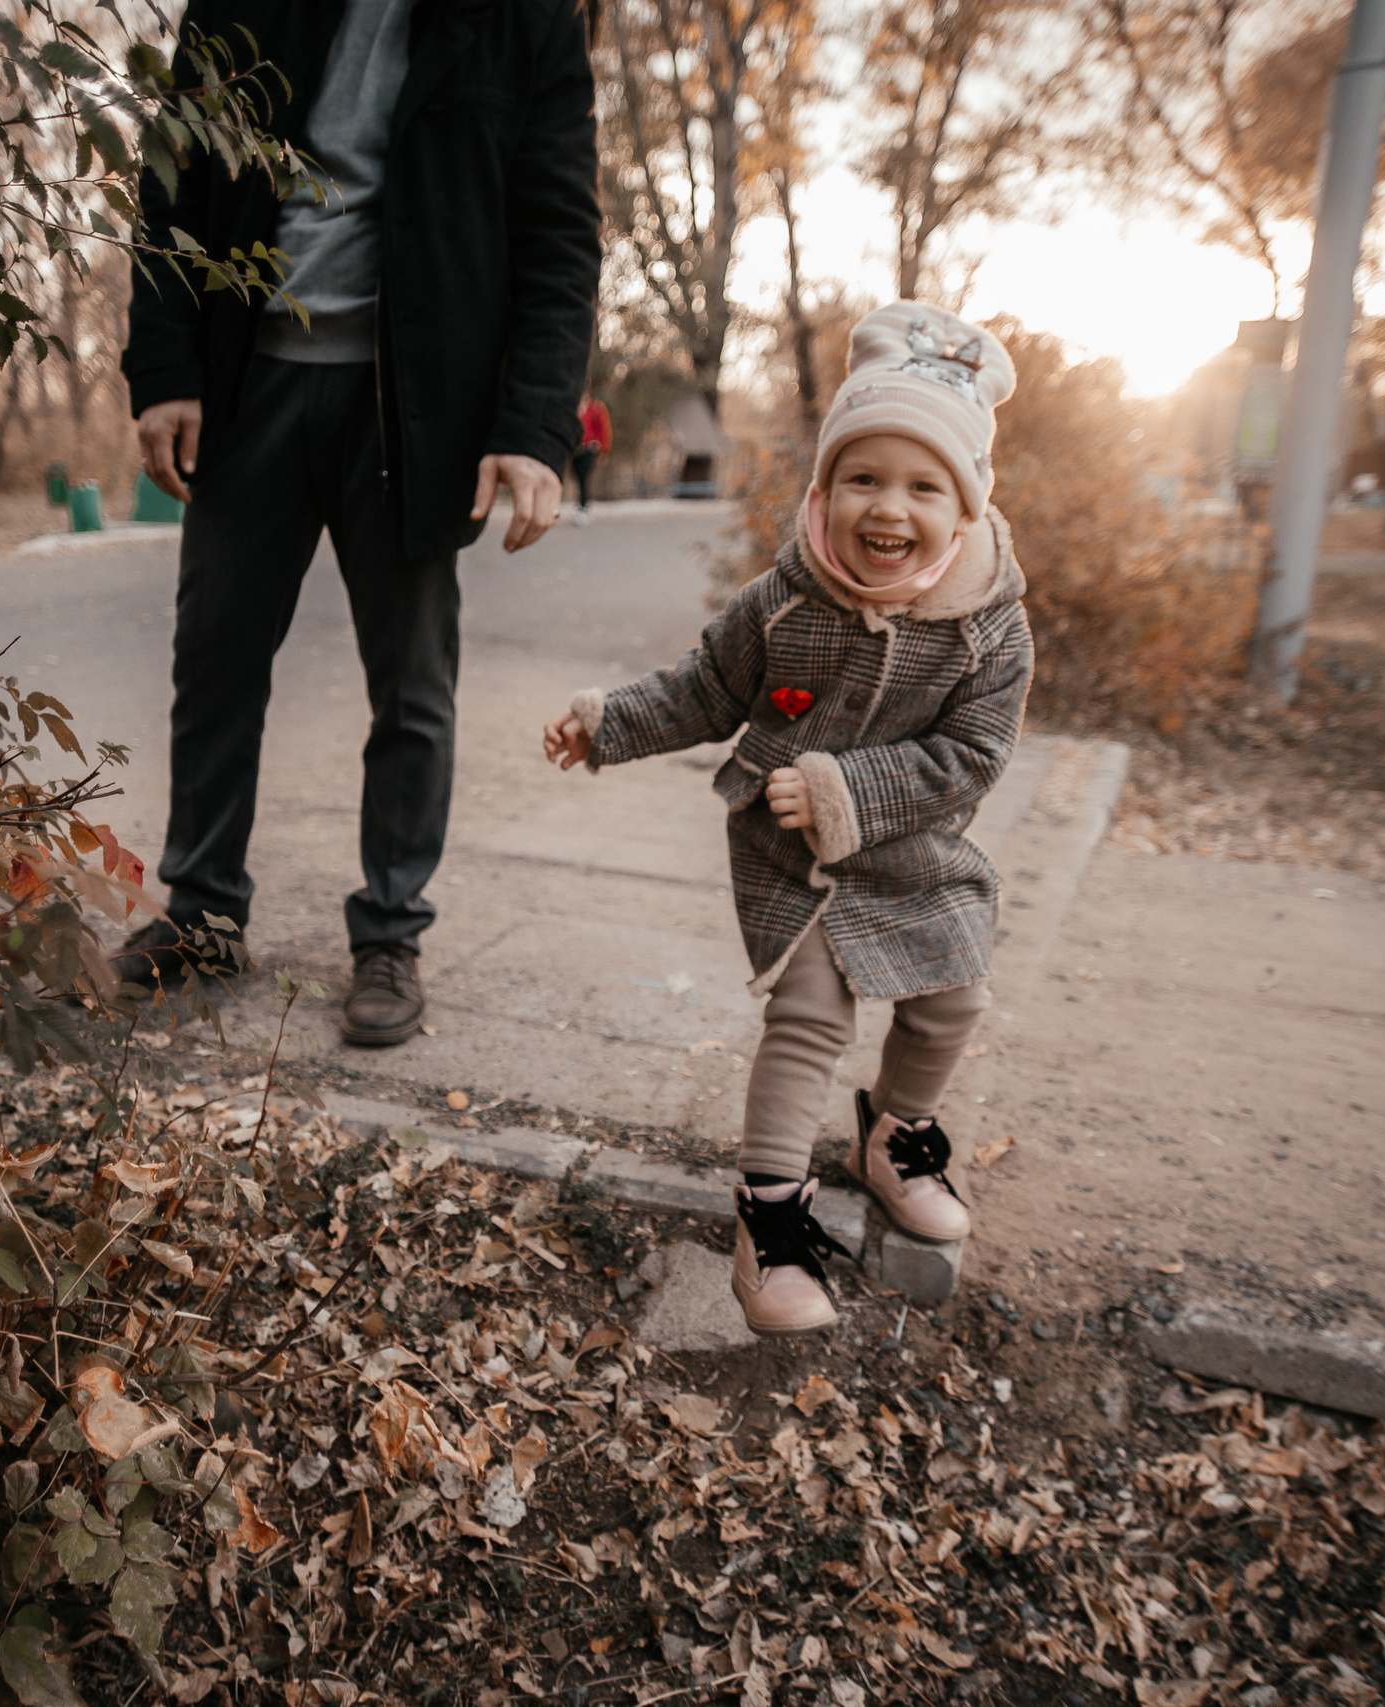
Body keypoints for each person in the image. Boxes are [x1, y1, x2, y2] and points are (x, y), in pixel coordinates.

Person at [117, 0, 601, 1047]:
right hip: (249, 388)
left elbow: (559, 235)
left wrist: (532, 426)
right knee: (214, 666)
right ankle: (201, 914)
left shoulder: (527, 22)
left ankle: (390, 933)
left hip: (414, 409)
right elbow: (170, 190)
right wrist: (160, 368)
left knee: (412, 688)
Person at [541, 303, 1032, 1335]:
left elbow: (975, 757)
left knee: (954, 1000)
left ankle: (894, 1138)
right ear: (823, 489)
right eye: (862, 478)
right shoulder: (783, 599)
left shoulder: (989, 630)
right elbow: (702, 688)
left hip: (919, 850)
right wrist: (606, 725)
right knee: (807, 1018)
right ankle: (770, 1225)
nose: (886, 506)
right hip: (788, 854)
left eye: (922, 486)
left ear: (967, 508)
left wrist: (852, 791)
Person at [570, 394, 611, 520]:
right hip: (575, 449)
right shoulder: (572, 408)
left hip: (589, 449)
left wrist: (603, 449)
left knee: (584, 476)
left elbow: (603, 429)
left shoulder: (595, 408)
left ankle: (583, 505)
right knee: (576, 475)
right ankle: (581, 502)